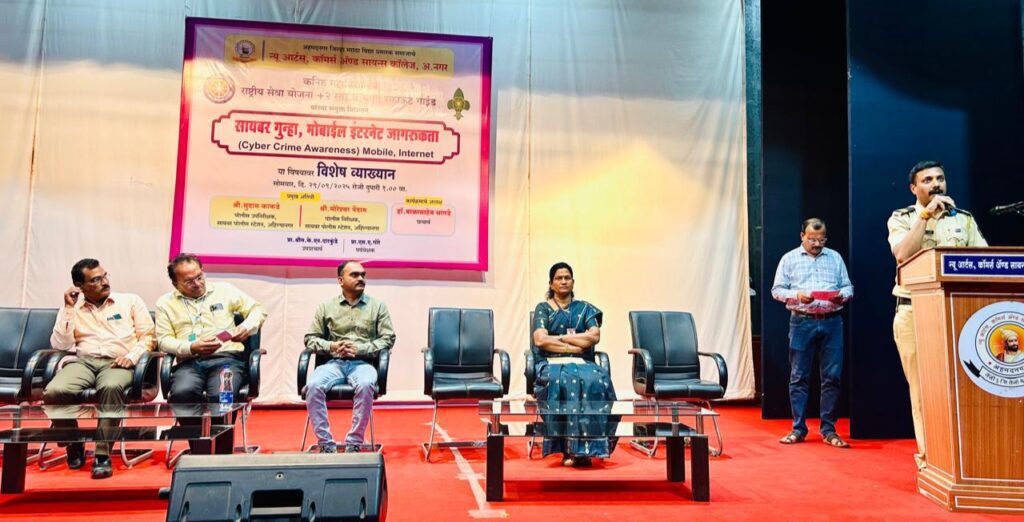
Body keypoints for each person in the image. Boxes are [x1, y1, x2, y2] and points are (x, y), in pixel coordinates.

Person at [888, 160, 986, 469]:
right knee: (923, 391)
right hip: (913, 311)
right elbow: (902, 254)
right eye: (927, 180)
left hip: (959, 312)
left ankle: (966, 457)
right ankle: (932, 460)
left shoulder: (963, 219)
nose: (936, 184)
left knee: (962, 388)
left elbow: (985, 261)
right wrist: (926, 216)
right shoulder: (902, 218)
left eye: (940, 178)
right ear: (913, 188)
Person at [43, 258, 155, 479]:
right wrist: (68, 308)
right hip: (84, 362)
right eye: (96, 280)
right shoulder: (72, 308)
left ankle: (102, 454)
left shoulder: (130, 301)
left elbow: (149, 337)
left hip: (118, 362)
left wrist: (131, 357)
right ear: (80, 286)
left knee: (111, 387)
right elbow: (60, 345)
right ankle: (73, 442)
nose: (104, 282)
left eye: (105, 276)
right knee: (54, 391)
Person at [155, 253, 266, 445]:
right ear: (175, 283)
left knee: (222, 395)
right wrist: (191, 347)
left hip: (226, 360)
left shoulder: (224, 290)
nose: (197, 283)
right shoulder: (165, 303)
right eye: (189, 281)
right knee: (182, 393)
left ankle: (221, 451)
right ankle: (199, 446)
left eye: (199, 277)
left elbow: (258, 310)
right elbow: (164, 340)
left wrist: (246, 327)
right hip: (189, 362)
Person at [771, 218, 854, 448]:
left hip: (831, 321)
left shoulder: (835, 257)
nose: (817, 244)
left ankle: (828, 429)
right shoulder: (789, 259)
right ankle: (798, 428)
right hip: (802, 321)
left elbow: (849, 287)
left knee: (832, 377)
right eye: (812, 239)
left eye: (821, 239)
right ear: (802, 236)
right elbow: (776, 290)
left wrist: (842, 295)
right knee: (799, 376)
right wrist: (797, 295)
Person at [303, 261, 395, 454]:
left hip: (364, 363)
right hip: (333, 363)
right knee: (313, 386)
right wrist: (332, 346)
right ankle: (326, 444)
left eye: (363, 275)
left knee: (366, 384)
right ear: (340, 280)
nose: (361, 278)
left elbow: (388, 339)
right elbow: (310, 339)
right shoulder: (326, 307)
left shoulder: (377, 306)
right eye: (354, 275)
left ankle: (354, 443)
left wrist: (360, 349)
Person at [531, 262, 617, 467]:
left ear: (573, 281)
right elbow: (540, 340)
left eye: (567, 277)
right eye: (558, 278)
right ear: (551, 283)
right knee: (565, 380)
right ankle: (568, 449)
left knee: (598, 379)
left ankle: (591, 447)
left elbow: (594, 336)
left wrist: (559, 339)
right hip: (550, 363)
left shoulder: (585, 309)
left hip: (583, 362)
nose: (563, 281)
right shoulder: (543, 308)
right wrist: (574, 345)